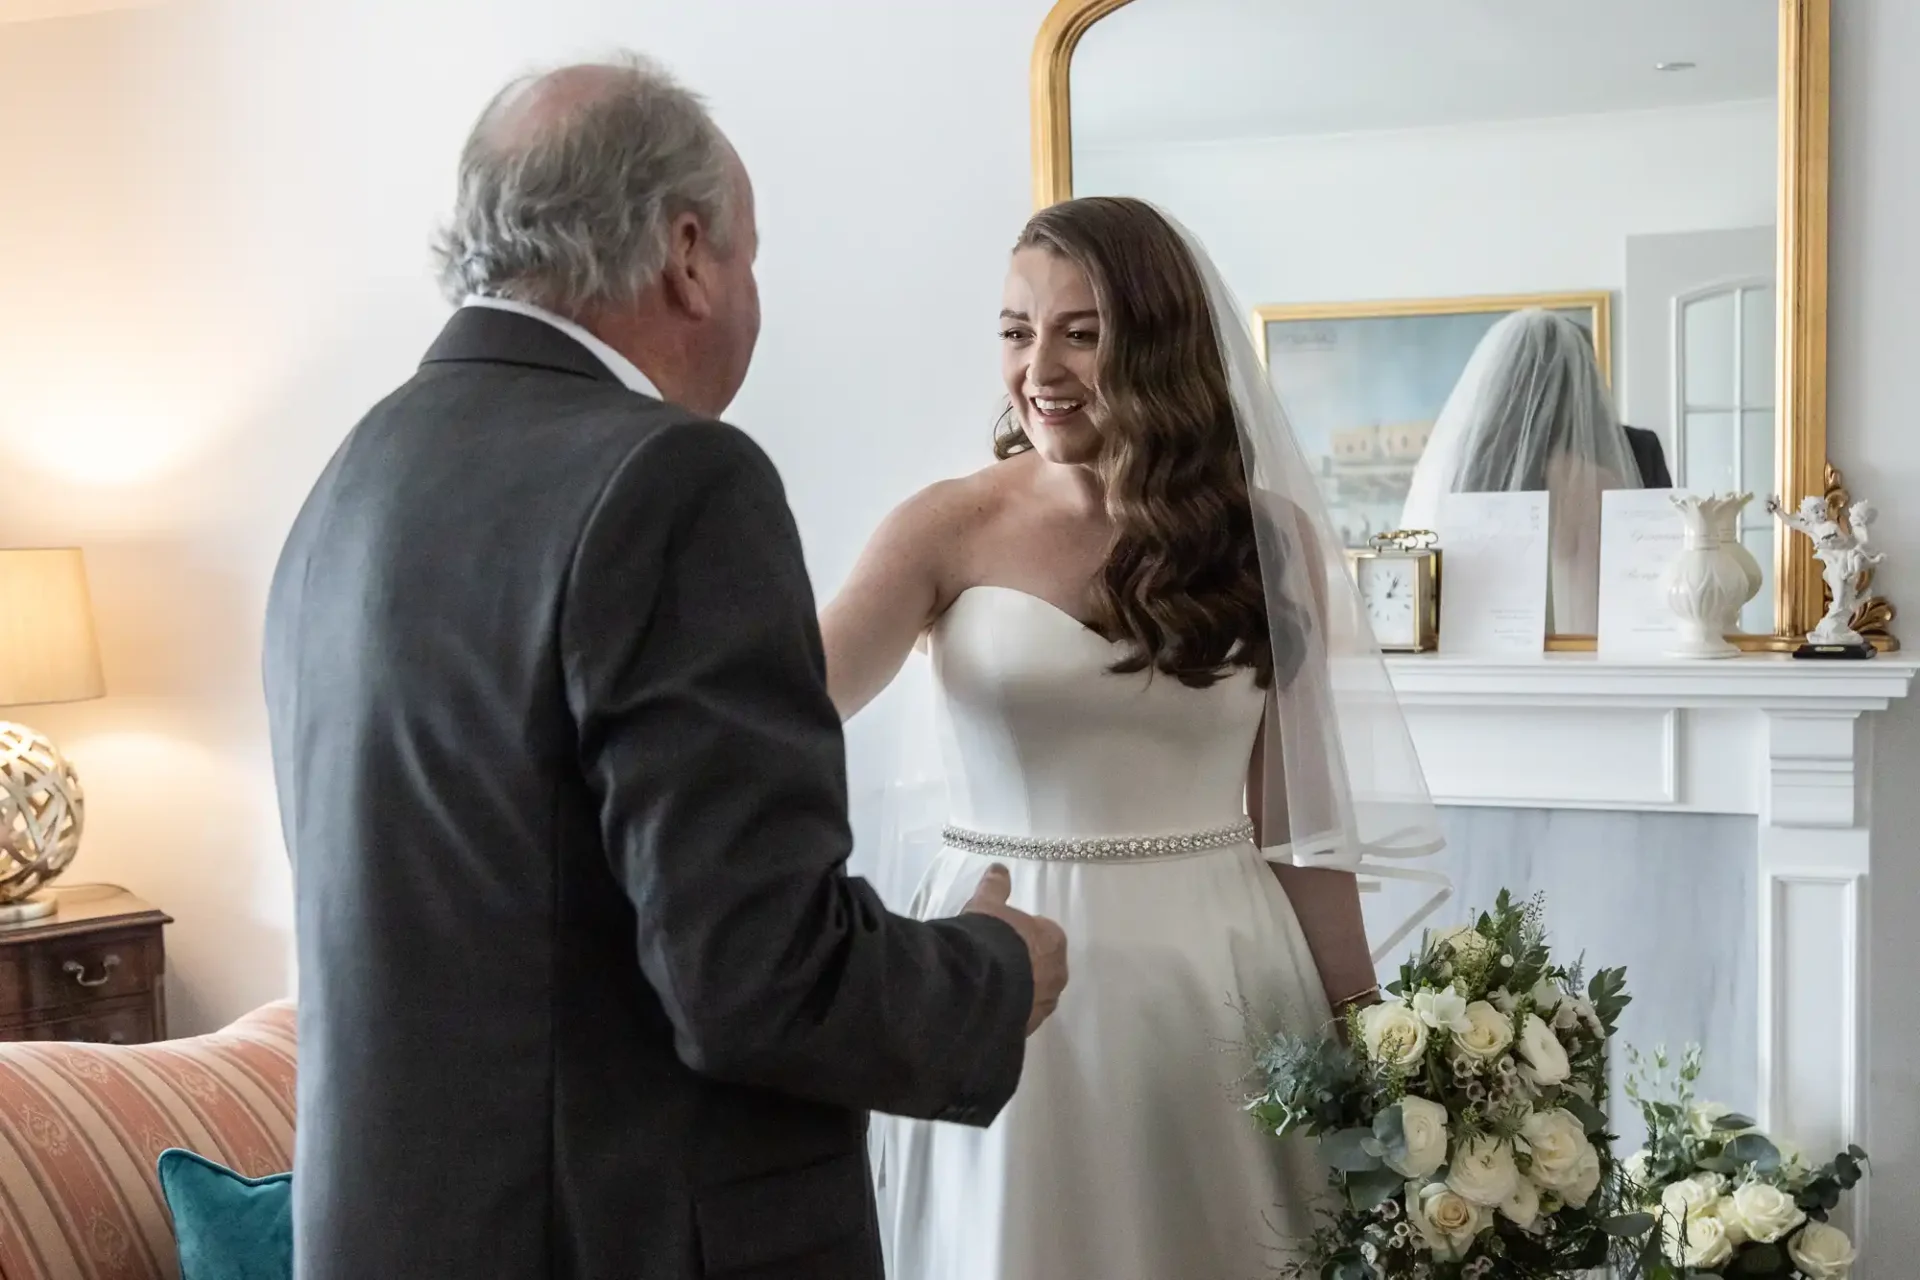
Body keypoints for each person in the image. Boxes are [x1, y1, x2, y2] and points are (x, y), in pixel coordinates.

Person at [261, 55, 1066, 1280]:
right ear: (688, 253)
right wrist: (991, 967)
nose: (751, 293)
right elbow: (757, 978)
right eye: (750, 255)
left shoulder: (352, 477)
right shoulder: (678, 481)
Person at [821, 197, 1448, 1280]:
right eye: (1017, 329)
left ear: (1157, 342)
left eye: (1081, 329)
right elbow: (774, 718)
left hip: (1218, 972)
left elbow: (1299, 815)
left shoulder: (1267, 534)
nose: (1039, 367)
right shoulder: (944, 525)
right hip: (1005, 981)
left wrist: (1362, 1025)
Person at [1400, 308, 1650, 634]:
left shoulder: (1456, 470)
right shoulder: (1593, 482)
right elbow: (1613, 608)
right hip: (1574, 661)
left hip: (1471, 659)